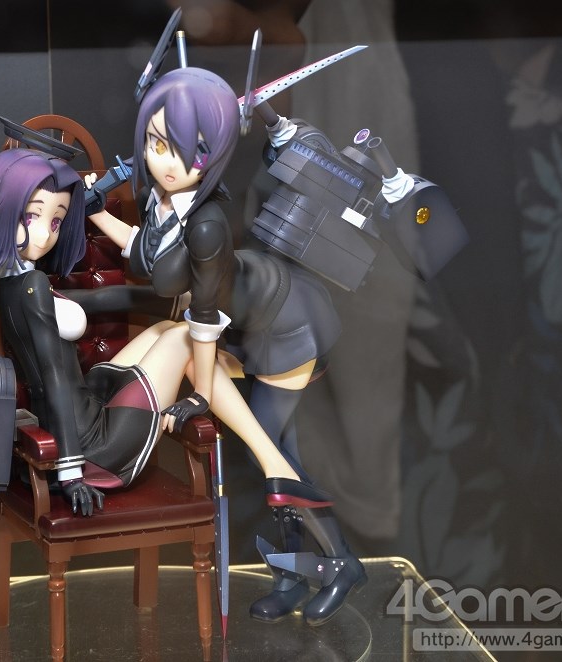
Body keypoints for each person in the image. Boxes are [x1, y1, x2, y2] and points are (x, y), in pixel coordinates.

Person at [84, 67, 365, 625]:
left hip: (284, 324)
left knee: (273, 451)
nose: (166, 162)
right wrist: (94, 211)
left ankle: (340, 561)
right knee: (277, 449)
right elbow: (148, 254)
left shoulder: (207, 222)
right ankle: (296, 573)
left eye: (187, 151)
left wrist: (201, 397)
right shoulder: (162, 200)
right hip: (245, 327)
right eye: (156, 143)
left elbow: (204, 320)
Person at [0, 147, 330, 520]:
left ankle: (226, 369)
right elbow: (55, 377)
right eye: (31, 217)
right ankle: (277, 468)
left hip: (85, 411)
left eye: (56, 221)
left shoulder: (16, 284)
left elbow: (103, 300)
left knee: (167, 329)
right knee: (184, 338)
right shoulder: (33, 287)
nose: (44, 235)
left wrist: (181, 296)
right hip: (95, 449)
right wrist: (72, 473)